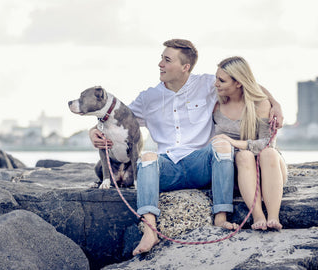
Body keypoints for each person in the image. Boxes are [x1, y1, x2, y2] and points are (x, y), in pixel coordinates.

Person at [89, 39, 284, 255]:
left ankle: (220, 217)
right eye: (161, 58)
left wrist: (275, 103)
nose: (160, 64)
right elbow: (117, 118)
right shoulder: (148, 97)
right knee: (146, 158)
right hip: (168, 166)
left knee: (220, 144)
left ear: (185, 67)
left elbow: (246, 83)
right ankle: (150, 231)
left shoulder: (209, 84)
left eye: (167, 60)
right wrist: (93, 130)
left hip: (202, 163)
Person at [211, 56, 288, 231]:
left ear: (238, 83)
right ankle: (258, 216)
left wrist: (234, 142)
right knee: (244, 156)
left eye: (221, 80)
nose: (216, 83)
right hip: (241, 172)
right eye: (216, 78)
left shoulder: (260, 104)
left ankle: (273, 216)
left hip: (268, 168)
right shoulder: (217, 104)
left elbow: (267, 143)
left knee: (269, 152)